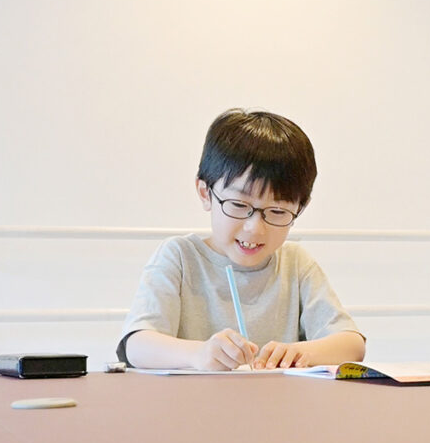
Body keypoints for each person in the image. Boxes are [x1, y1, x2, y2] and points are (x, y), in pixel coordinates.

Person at [117, 108, 365, 370]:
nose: (254, 228)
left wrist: (295, 352)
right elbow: (137, 345)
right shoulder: (179, 256)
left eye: (278, 211)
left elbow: (352, 345)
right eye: (237, 204)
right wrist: (198, 354)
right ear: (205, 193)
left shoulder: (296, 263)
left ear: (299, 209)